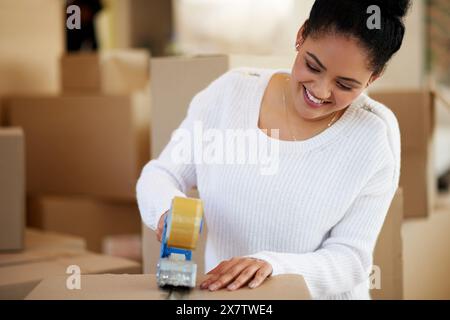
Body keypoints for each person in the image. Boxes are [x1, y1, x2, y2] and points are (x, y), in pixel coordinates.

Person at [137, 0, 410, 299]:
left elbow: (351, 259)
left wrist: (272, 265)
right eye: (312, 65)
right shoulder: (230, 94)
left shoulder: (373, 136)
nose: (319, 91)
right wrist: (167, 210)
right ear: (301, 34)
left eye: (345, 85)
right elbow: (162, 173)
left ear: (373, 78)